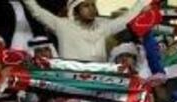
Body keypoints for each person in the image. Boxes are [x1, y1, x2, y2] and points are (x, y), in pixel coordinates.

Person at [20, 0, 150, 62]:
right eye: (86, 6)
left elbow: (126, 18)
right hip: (72, 83)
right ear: (75, 11)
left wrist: (142, 4)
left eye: (93, 5)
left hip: (98, 83)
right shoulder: (62, 26)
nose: (92, 9)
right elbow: (36, 11)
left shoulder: (103, 27)